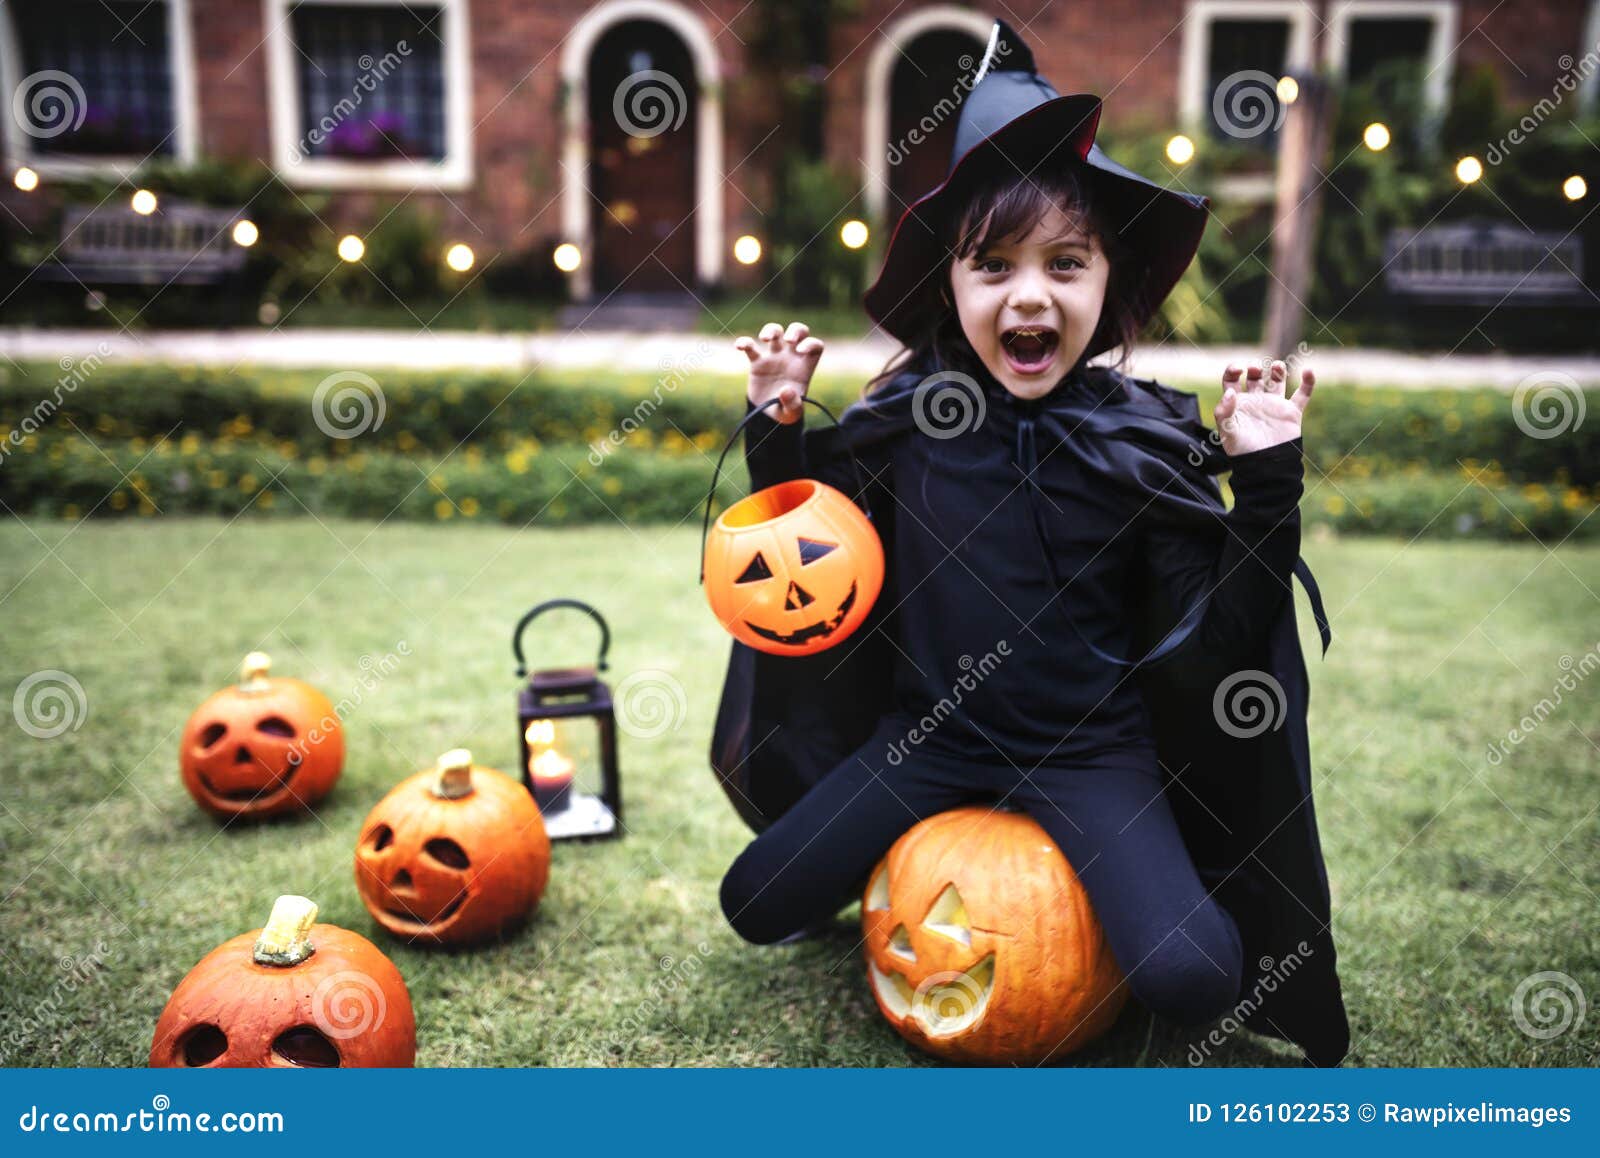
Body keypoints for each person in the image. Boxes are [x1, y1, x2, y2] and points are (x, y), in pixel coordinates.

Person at [710, 21, 1349, 1066]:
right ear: (950, 289)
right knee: (757, 901)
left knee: (1194, 977)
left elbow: (1227, 629)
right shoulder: (909, 421)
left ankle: (1105, 902)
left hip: (1091, 754)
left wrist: (1266, 479)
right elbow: (802, 558)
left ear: (1106, 284)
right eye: (992, 266)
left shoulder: (1141, 446)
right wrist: (775, 430)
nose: (1029, 295)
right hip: (934, 740)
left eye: (1065, 262)